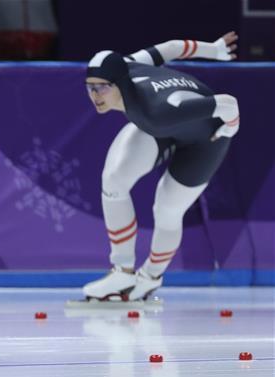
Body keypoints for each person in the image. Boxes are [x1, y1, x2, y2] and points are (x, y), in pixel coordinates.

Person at [81, 32, 240, 302]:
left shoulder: (155, 112)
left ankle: (150, 278)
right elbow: (172, 47)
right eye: (90, 87)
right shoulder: (129, 63)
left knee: (166, 210)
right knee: (113, 180)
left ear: (119, 83)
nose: (96, 95)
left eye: (103, 87)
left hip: (204, 141)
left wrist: (227, 131)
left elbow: (228, 103)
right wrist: (213, 49)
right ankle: (122, 270)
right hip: (163, 127)